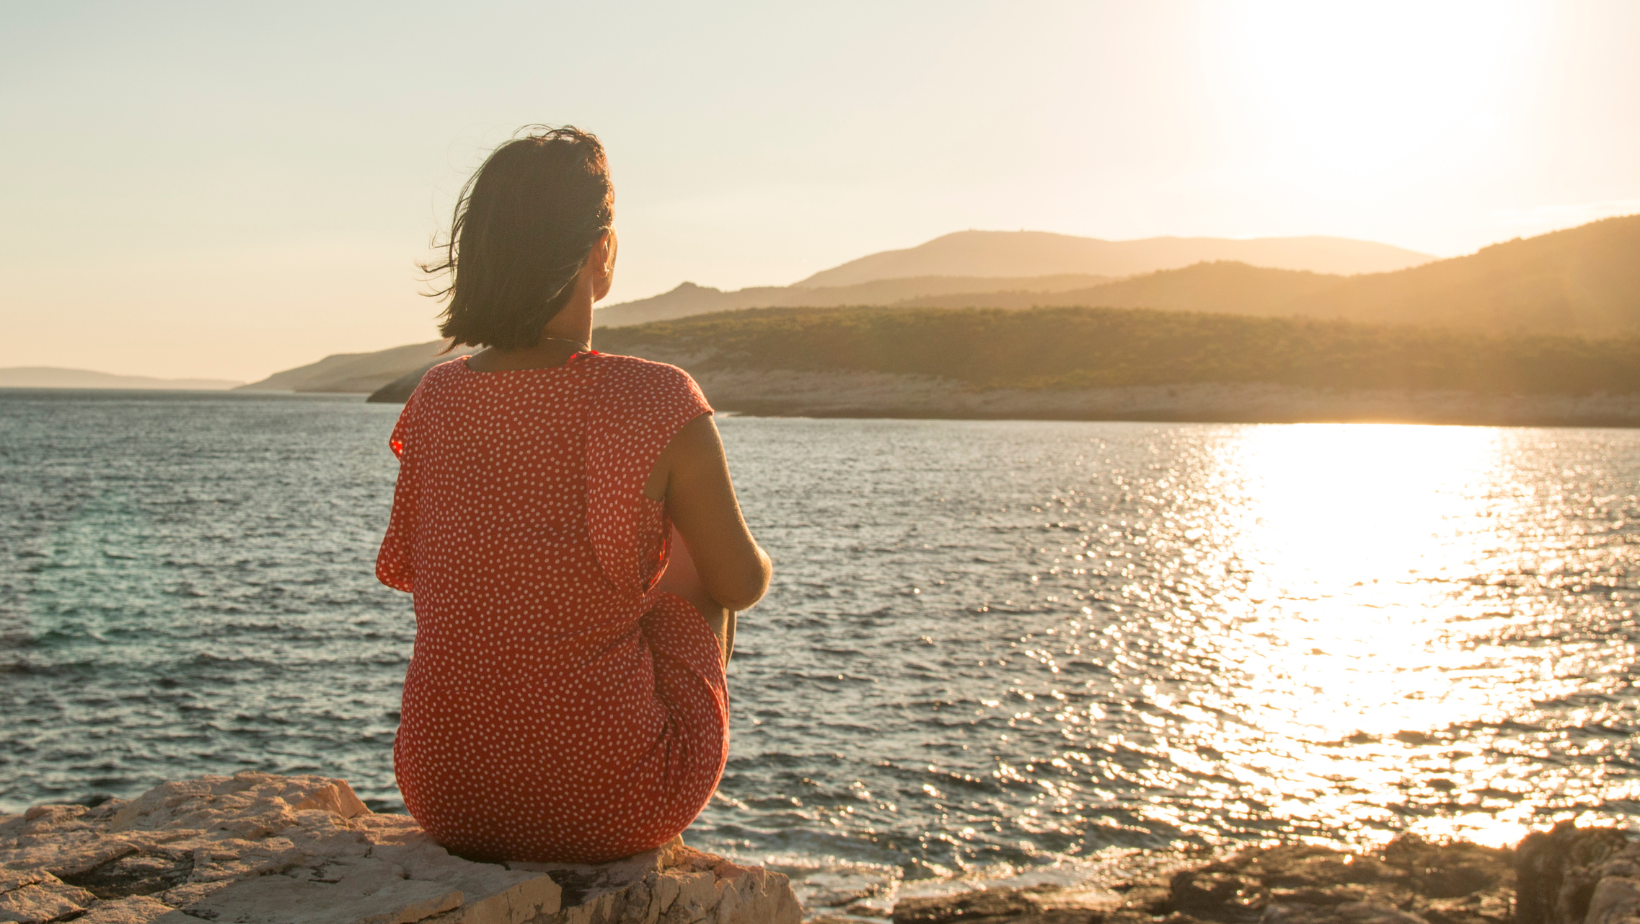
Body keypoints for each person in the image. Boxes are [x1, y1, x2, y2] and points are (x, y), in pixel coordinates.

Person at [375, 126, 771, 864]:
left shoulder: (435, 397)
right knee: (694, 578)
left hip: (445, 796)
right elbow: (738, 584)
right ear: (602, 253)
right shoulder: (656, 397)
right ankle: (655, 820)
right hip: (612, 803)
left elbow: (426, 575)